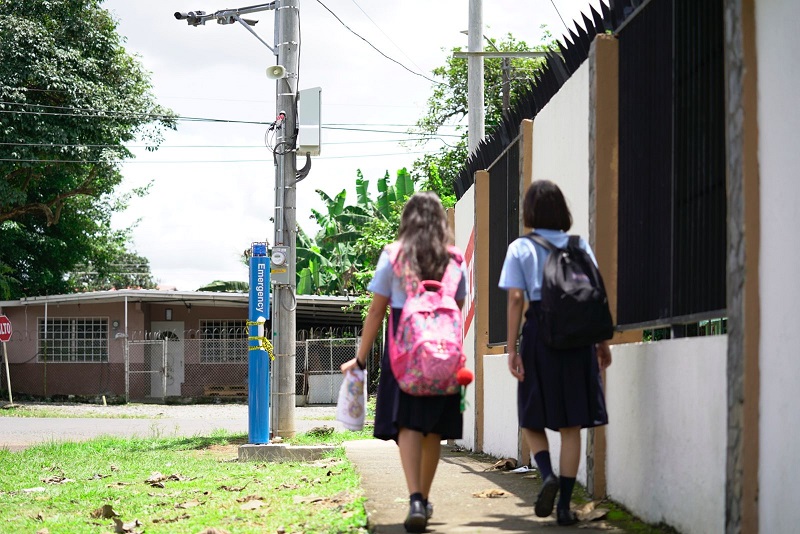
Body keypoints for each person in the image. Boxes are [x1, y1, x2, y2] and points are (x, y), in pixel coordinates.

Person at [341, 191, 468, 533]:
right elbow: (457, 308)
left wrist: (360, 358)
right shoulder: (455, 260)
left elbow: (377, 309)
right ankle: (424, 499)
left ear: (406, 221)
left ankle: (414, 498)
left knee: (409, 426)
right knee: (434, 430)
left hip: (404, 356)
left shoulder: (394, 256)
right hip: (443, 357)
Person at [498, 180, 612, 526]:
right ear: (562, 210)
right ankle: (564, 505)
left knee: (531, 415)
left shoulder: (520, 248)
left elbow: (516, 298)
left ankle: (545, 473)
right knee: (571, 423)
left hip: (539, 339)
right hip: (578, 342)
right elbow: (594, 295)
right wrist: (601, 342)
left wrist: (511, 346)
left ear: (530, 212)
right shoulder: (580, 246)